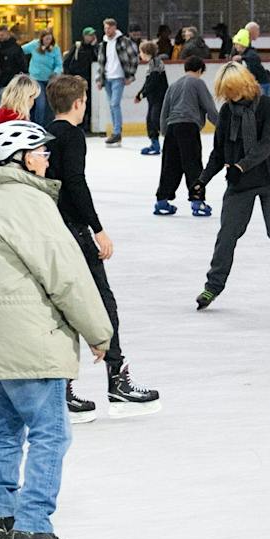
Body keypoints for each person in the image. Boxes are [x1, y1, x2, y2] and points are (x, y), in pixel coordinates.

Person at [0, 120, 112, 539]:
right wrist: (99, 332)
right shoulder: (33, 207)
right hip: (27, 344)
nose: (46, 159)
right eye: (40, 151)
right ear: (20, 158)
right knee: (50, 432)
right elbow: (66, 275)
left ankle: (0, 527)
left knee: (5, 431)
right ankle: (33, 527)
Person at [43, 75, 160, 417]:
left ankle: (60, 386)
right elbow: (76, 183)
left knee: (60, 305)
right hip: (74, 230)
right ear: (78, 103)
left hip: (51, 229)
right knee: (103, 300)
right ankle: (117, 379)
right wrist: (98, 229)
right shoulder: (73, 136)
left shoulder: (45, 135)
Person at [197, 63, 270, 313]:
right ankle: (213, 286)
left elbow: (266, 145)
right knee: (226, 235)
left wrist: (240, 166)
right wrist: (202, 180)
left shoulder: (269, 107)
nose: (229, 96)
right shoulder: (227, 112)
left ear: (244, 84)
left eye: (232, 90)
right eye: (225, 92)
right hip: (240, 183)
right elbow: (218, 151)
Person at [153, 56, 218, 217]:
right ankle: (197, 202)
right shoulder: (197, 83)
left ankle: (162, 200)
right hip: (189, 127)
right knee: (193, 164)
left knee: (170, 166)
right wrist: (222, 127)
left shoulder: (174, 85)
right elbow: (209, 107)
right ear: (200, 70)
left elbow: (164, 110)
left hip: (172, 128)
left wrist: (164, 131)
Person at [97, 17, 138, 146]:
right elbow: (101, 62)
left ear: (114, 27)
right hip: (108, 77)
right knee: (112, 105)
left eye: (109, 28)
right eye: (105, 28)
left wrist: (130, 75)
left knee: (114, 104)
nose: (107, 30)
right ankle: (116, 133)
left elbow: (133, 57)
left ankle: (116, 132)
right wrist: (100, 79)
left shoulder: (124, 41)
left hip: (119, 76)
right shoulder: (103, 43)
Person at [134, 39, 167, 156]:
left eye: (141, 52)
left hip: (159, 98)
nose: (140, 55)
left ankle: (171, 141)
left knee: (156, 120)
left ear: (146, 53)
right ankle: (155, 143)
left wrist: (142, 94)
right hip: (153, 99)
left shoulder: (156, 63)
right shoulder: (151, 64)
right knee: (150, 121)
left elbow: (153, 82)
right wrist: (140, 94)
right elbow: (147, 83)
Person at [66, 27, 100, 135]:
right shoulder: (77, 47)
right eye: (89, 35)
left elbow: (99, 59)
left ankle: (87, 125)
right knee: (77, 101)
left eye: (92, 35)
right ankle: (78, 124)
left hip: (90, 80)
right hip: (77, 79)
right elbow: (67, 61)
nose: (91, 37)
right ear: (84, 36)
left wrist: (95, 46)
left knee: (88, 103)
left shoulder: (95, 48)